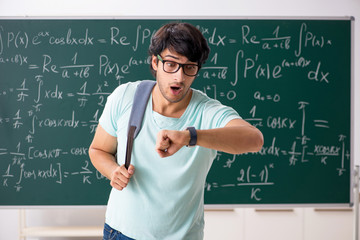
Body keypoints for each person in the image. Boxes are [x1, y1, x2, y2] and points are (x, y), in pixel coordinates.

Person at [89, 22, 264, 240]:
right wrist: (113, 171)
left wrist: (190, 136)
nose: (179, 77)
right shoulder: (126, 97)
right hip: (122, 233)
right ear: (155, 62)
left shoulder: (207, 111)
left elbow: (254, 139)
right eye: (171, 64)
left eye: (190, 67)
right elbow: (98, 150)